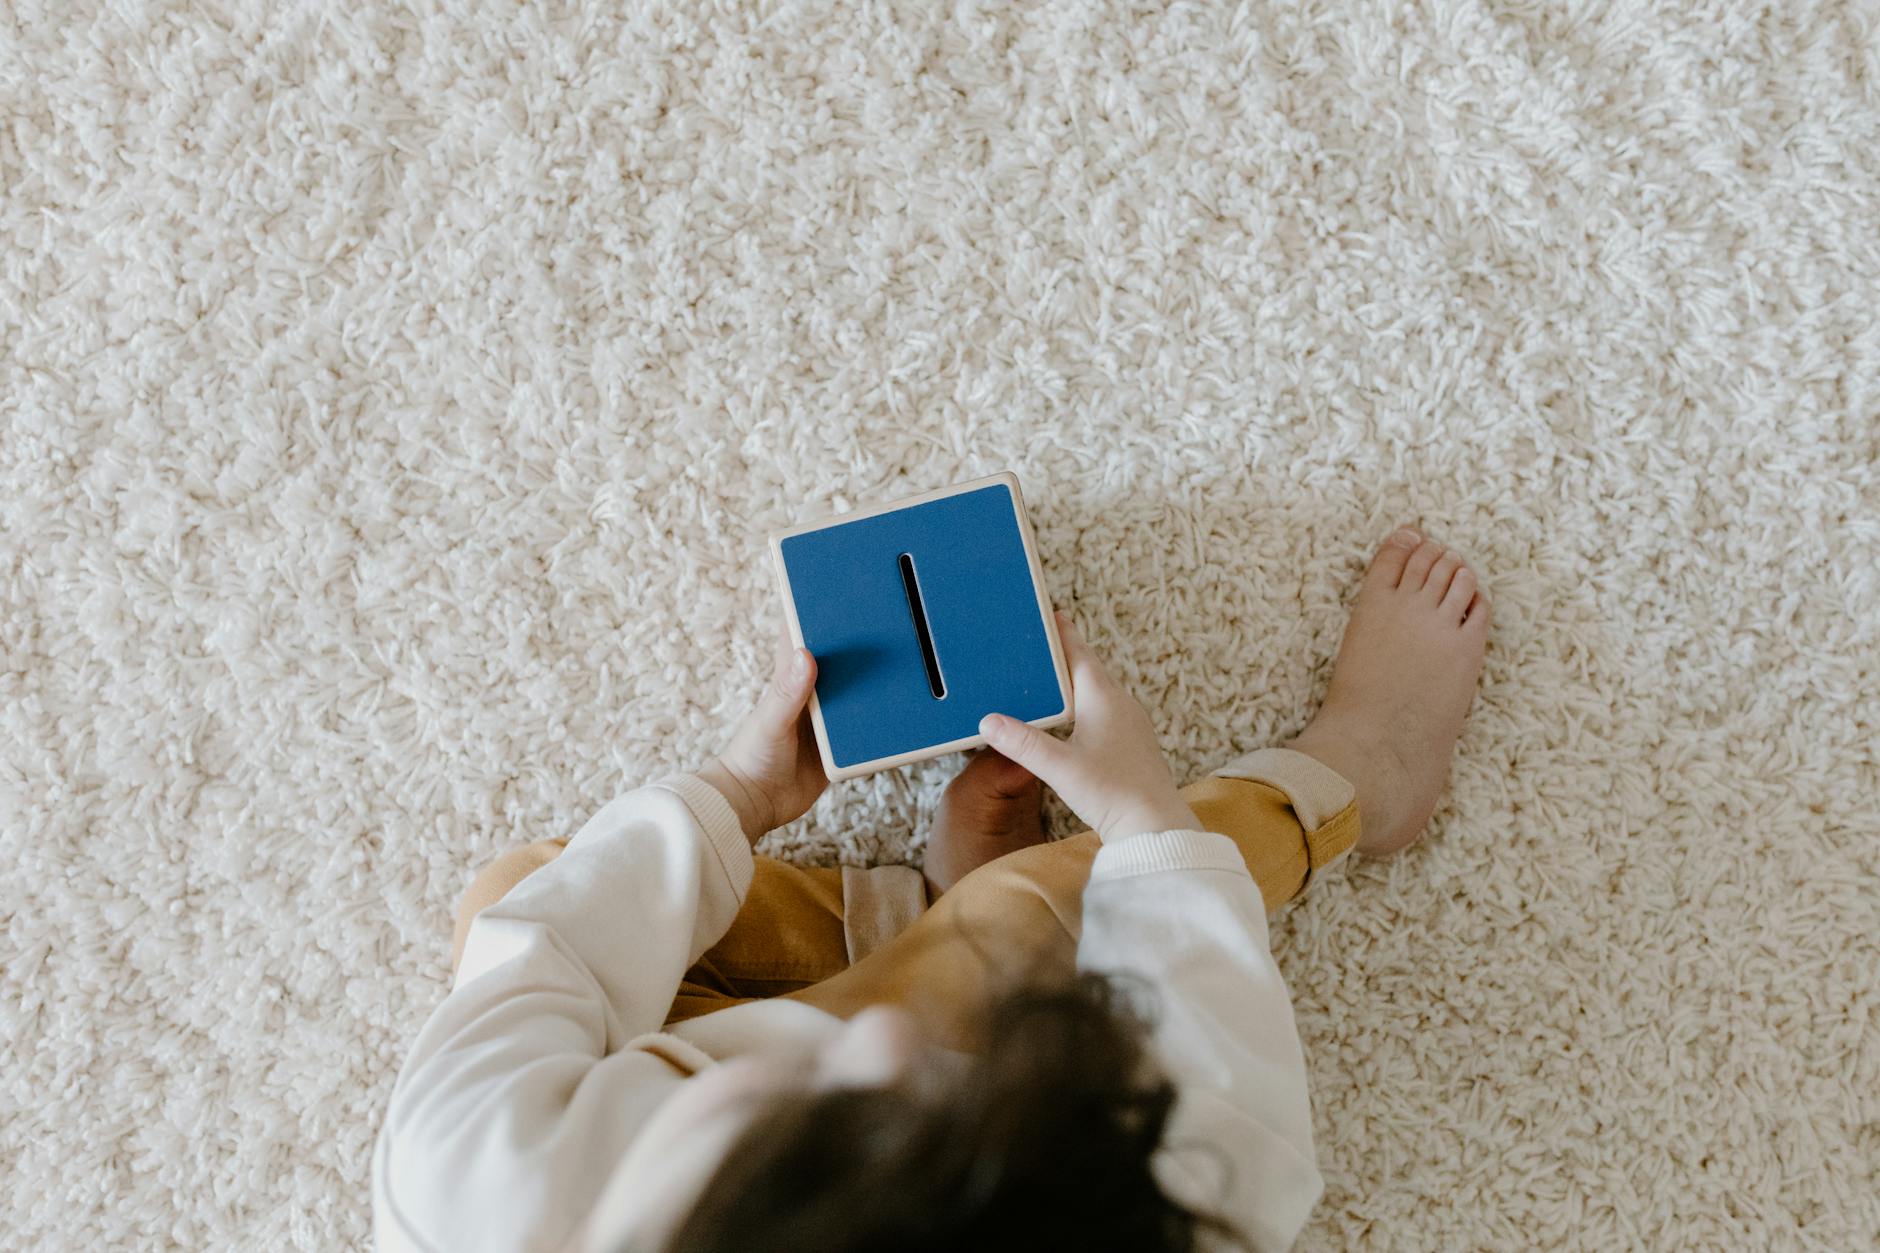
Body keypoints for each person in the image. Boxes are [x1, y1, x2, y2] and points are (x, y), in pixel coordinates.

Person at [371, 528, 1490, 1252]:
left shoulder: (466, 1185)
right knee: (1052, 917)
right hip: (734, 1082)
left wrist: (739, 792)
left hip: (632, 1080)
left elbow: (548, 948)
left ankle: (924, 920)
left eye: (802, 1139)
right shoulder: (1158, 1221)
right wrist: (1148, 814)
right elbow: (1230, 1112)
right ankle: (1356, 778)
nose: (885, 1048)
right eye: (895, 1117)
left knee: (520, 899)